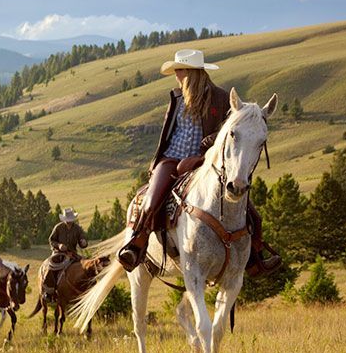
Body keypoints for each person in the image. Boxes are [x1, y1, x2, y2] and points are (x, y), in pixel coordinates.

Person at [116, 49, 281, 276]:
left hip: (203, 160)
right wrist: (156, 163)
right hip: (170, 159)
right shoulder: (176, 98)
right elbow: (168, 134)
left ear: (192, 72)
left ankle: (254, 253)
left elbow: (231, 131)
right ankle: (137, 243)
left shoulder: (221, 98)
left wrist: (211, 141)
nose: (176, 76)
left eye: (179, 70)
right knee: (152, 200)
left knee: (249, 211)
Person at [42, 208, 88, 302]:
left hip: (72, 253)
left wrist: (83, 242)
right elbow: (51, 240)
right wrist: (59, 245)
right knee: (51, 268)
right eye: (68, 220)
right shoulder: (58, 227)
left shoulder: (77, 229)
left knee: (85, 267)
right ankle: (49, 292)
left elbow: (82, 241)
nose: (69, 222)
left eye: (70, 220)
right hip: (59, 253)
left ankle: (84, 290)